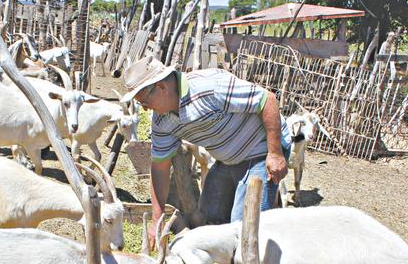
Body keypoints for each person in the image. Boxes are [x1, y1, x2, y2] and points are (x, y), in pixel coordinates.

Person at [120, 56, 291, 247]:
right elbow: (160, 168)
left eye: (144, 101)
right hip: (228, 159)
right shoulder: (162, 121)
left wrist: (275, 153)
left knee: (243, 227)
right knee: (209, 216)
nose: (144, 108)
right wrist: (156, 220)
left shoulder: (210, 87)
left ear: (161, 87)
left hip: (261, 150)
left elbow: (267, 100)